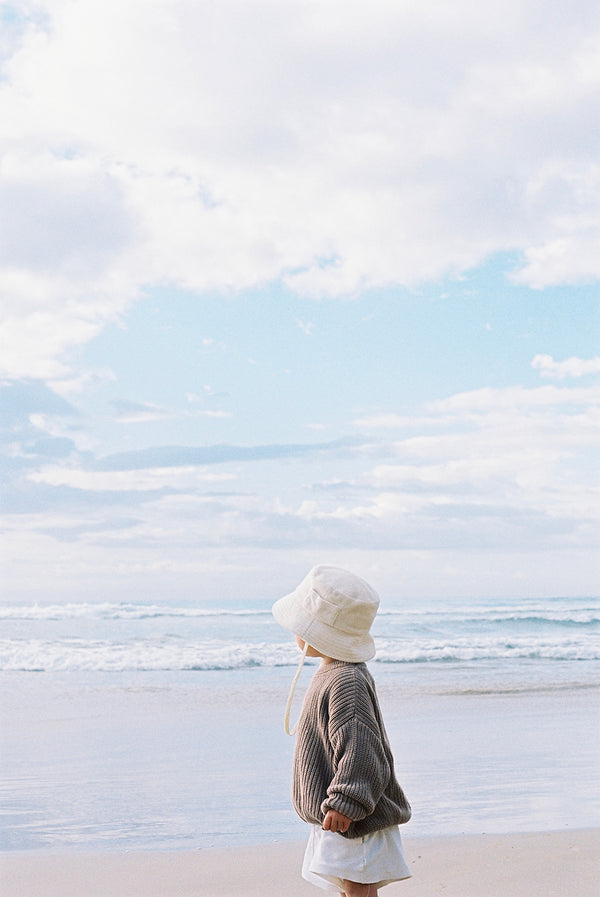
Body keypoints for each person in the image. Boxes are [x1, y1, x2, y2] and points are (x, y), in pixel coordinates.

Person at [272, 564, 412, 897]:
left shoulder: (345, 680)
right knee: (353, 882)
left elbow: (360, 747)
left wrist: (346, 802)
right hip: (343, 811)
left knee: (357, 882)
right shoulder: (332, 671)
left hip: (353, 814)